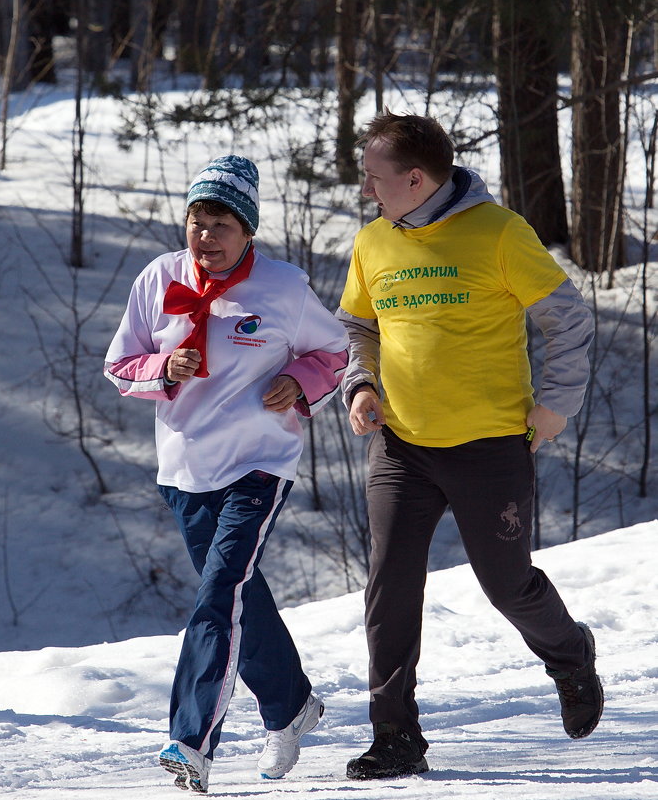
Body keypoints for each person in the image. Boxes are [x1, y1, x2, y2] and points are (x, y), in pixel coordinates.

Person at [336, 112, 603, 780]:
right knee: (387, 586)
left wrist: (554, 406)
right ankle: (394, 734)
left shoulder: (499, 232)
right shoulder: (372, 242)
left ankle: (569, 654)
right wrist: (361, 386)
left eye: (375, 177)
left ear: (416, 178)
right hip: (401, 446)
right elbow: (357, 328)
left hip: (488, 447)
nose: (366, 188)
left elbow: (566, 319)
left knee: (506, 584)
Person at [104, 155, 348, 793]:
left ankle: (190, 742)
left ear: (248, 232)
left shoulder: (285, 288)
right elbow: (119, 363)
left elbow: (335, 350)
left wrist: (299, 380)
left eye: (220, 223)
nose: (205, 235)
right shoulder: (157, 279)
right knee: (241, 598)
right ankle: (293, 705)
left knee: (218, 598)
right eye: (196, 220)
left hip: (259, 465)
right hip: (184, 469)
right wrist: (162, 368)